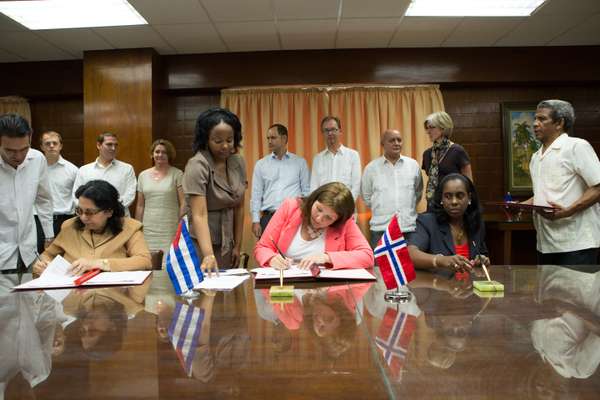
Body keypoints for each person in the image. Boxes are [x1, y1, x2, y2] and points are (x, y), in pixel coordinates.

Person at [524, 99, 600, 265]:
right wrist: (520, 205)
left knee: (576, 291)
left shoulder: (577, 146)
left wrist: (568, 211)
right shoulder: (536, 157)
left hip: (577, 243)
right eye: (535, 119)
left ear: (559, 123)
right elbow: (543, 195)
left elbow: (598, 187)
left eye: (542, 119)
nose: (535, 124)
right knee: (547, 292)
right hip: (545, 244)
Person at [33, 180, 151, 275]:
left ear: (109, 211)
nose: (83, 217)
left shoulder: (130, 228)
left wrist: (100, 264)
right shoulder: (70, 226)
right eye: (80, 211)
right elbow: (47, 255)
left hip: (113, 297)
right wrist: (42, 263)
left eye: (90, 212)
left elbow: (144, 261)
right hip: (74, 297)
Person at [182, 107, 247, 274]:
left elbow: (239, 207)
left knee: (226, 293)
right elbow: (199, 214)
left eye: (230, 140)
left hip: (227, 242)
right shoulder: (197, 165)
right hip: (201, 242)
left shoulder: (238, 162)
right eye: (218, 141)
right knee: (204, 292)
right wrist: (208, 255)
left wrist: (237, 246)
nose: (225, 146)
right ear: (206, 140)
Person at [254, 182, 374, 270]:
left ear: (337, 220)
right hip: (285, 288)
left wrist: (327, 257)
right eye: (318, 209)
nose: (319, 218)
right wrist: (271, 258)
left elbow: (367, 256)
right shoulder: (290, 207)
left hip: (326, 293)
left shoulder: (345, 223)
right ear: (313, 200)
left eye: (328, 218)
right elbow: (262, 247)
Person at [0, 113, 53, 273]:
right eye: (10, 151)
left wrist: (49, 235)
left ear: (30, 138)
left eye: (24, 149)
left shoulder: (37, 159)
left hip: (28, 251)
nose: (18, 156)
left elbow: (44, 199)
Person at [408, 173, 489, 273]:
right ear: (441, 199)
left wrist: (482, 260)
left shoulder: (477, 223)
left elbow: (482, 254)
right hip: (437, 285)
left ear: (469, 198)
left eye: (460, 196)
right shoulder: (427, 222)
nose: (454, 201)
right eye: (448, 196)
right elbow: (410, 254)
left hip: (468, 286)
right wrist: (441, 260)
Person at [361, 129, 423, 248]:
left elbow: (418, 193)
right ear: (382, 144)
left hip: (408, 230)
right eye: (392, 140)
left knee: (410, 267)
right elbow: (366, 197)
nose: (396, 143)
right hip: (381, 231)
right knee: (379, 267)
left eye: (399, 140)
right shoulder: (371, 168)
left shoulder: (413, 165)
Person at [250, 123, 310, 239]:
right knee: (269, 255)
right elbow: (256, 195)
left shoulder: (300, 162)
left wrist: (304, 217)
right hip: (268, 218)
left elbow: (306, 192)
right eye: (268, 138)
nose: (269, 141)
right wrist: (256, 220)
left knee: (293, 255)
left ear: (284, 139)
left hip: (294, 217)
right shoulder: (261, 164)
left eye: (273, 138)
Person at [135, 139, 184, 261]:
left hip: (170, 226)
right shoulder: (143, 175)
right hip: (148, 227)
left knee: (169, 261)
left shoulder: (177, 174)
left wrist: (179, 225)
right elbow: (140, 205)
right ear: (152, 154)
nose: (160, 155)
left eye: (164, 152)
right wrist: (137, 227)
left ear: (169, 155)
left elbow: (183, 203)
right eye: (157, 152)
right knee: (149, 261)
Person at [73, 132, 136, 216]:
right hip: (91, 219)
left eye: (115, 145)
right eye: (109, 144)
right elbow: (76, 196)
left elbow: (130, 195)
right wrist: (92, 211)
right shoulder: (84, 170)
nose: (113, 148)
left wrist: (108, 210)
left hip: (119, 218)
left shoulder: (127, 169)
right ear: (99, 145)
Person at [422, 111, 473, 209]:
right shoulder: (427, 154)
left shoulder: (457, 150)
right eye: (427, 128)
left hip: (453, 204)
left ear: (443, 128)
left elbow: (469, 182)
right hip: (433, 204)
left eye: (432, 127)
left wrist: (469, 205)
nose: (428, 131)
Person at [310, 116, 361, 200]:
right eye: (326, 130)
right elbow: (314, 188)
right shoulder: (317, 159)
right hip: (324, 208)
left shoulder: (353, 155)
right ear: (322, 133)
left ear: (340, 131)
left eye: (333, 129)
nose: (330, 133)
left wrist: (345, 204)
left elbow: (356, 186)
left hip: (346, 207)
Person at [39, 130, 79, 235]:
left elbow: (78, 196)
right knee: (40, 251)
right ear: (42, 147)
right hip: (39, 220)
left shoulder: (73, 170)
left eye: (55, 143)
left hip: (64, 220)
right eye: (47, 143)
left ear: (60, 146)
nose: (51, 146)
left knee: (63, 252)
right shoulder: (34, 168)